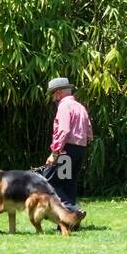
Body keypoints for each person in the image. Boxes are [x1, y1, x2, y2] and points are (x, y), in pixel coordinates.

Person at [43, 77, 92, 217]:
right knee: (69, 183)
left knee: (50, 181)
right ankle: (71, 221)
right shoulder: (80, 106)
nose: (53, 99)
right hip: (80, 149)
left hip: (66, 150)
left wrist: (55, 152)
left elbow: (64, 131)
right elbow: (89, 131)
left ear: (59, 93)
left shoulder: (64, 106)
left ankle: (72, 210)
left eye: (53, 94)